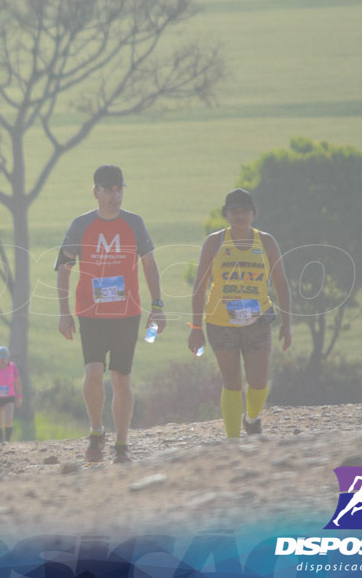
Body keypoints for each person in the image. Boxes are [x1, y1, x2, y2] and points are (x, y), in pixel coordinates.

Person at [56, 165, 166, 464]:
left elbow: (150, 265)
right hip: (90, 313)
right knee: (93, 372)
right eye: (108, 190)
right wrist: (64, 313)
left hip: (126, 313)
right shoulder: (81, 225)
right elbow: (63, 269)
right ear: (96, 192)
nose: (115, 196)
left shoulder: (134, 223)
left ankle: (121, 443)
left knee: (120, 378)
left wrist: (157, 307)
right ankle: (95, 431)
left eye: (119, 190)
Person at [188, 188, 292, 438]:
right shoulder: (215, 242)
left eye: (244, 211)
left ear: (253, 214)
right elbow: (200, 286)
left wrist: (287, 324)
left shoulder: (266, 242)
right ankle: (233, 440)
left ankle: (252, 418)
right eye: (234, 212)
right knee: (232, 381)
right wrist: (196, 328)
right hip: (220, 321)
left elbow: (280, 283)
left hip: (257, 322)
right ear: (225, 215)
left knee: (258, 382)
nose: (239, 216)